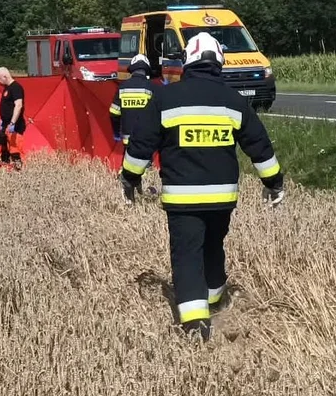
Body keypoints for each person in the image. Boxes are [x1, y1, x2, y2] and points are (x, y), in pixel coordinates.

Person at [119, 32, 286, 341]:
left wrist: (130, 178)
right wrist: (274, 183)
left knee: (187, 255)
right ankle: (213, 302)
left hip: (183, 198)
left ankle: (196, 324)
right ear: (219, 63)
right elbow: (259, 146)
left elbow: (141, 145)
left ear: (188, 62)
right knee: (212, 248)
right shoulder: (234, 101)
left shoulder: (166, 99)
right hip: (223, 198)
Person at [110, 54, 155, 148]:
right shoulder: (152, 87)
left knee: (127, 162)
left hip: (128, 142)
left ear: (132, 69)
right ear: (146, 70)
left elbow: (114, 113)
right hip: (146, 140)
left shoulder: (122, 87)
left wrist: (116, 132)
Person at [0, 67, 26, 171]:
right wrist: (3, 120)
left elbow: (18, 105)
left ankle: (18, 170)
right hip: (5, 124)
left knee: (14, 150)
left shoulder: (16, 87)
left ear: (5, 76)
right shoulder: (6, 88)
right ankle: (6, 169)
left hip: (14, 125)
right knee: (4, 149)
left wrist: (12, 122)